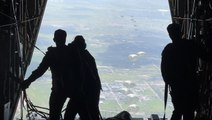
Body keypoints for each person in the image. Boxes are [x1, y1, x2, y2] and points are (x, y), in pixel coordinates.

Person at [21, 29, 84, 120]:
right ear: (65, 39)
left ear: (54, 39)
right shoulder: (73, 52)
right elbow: (80, 71)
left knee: (54, 116)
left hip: (58, 90)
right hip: (75, 90)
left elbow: (40, 71)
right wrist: (79, 89)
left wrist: (28, 81)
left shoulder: (51, 54)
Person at [161, 23, 208, 120]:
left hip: (176, 87)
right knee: (189, 112)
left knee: (178, 110)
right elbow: (206, 56)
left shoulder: (168, 49)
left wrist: (171, 81)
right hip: (190, 85)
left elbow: (164, 71)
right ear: (181, 32)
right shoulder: (190, 45)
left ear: (170, 35)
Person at [65, 35, 102, 120]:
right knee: (91, 113)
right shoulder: (87, 56)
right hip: (91, 90)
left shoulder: (80, 57)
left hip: (83, 91)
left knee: (70, 115)